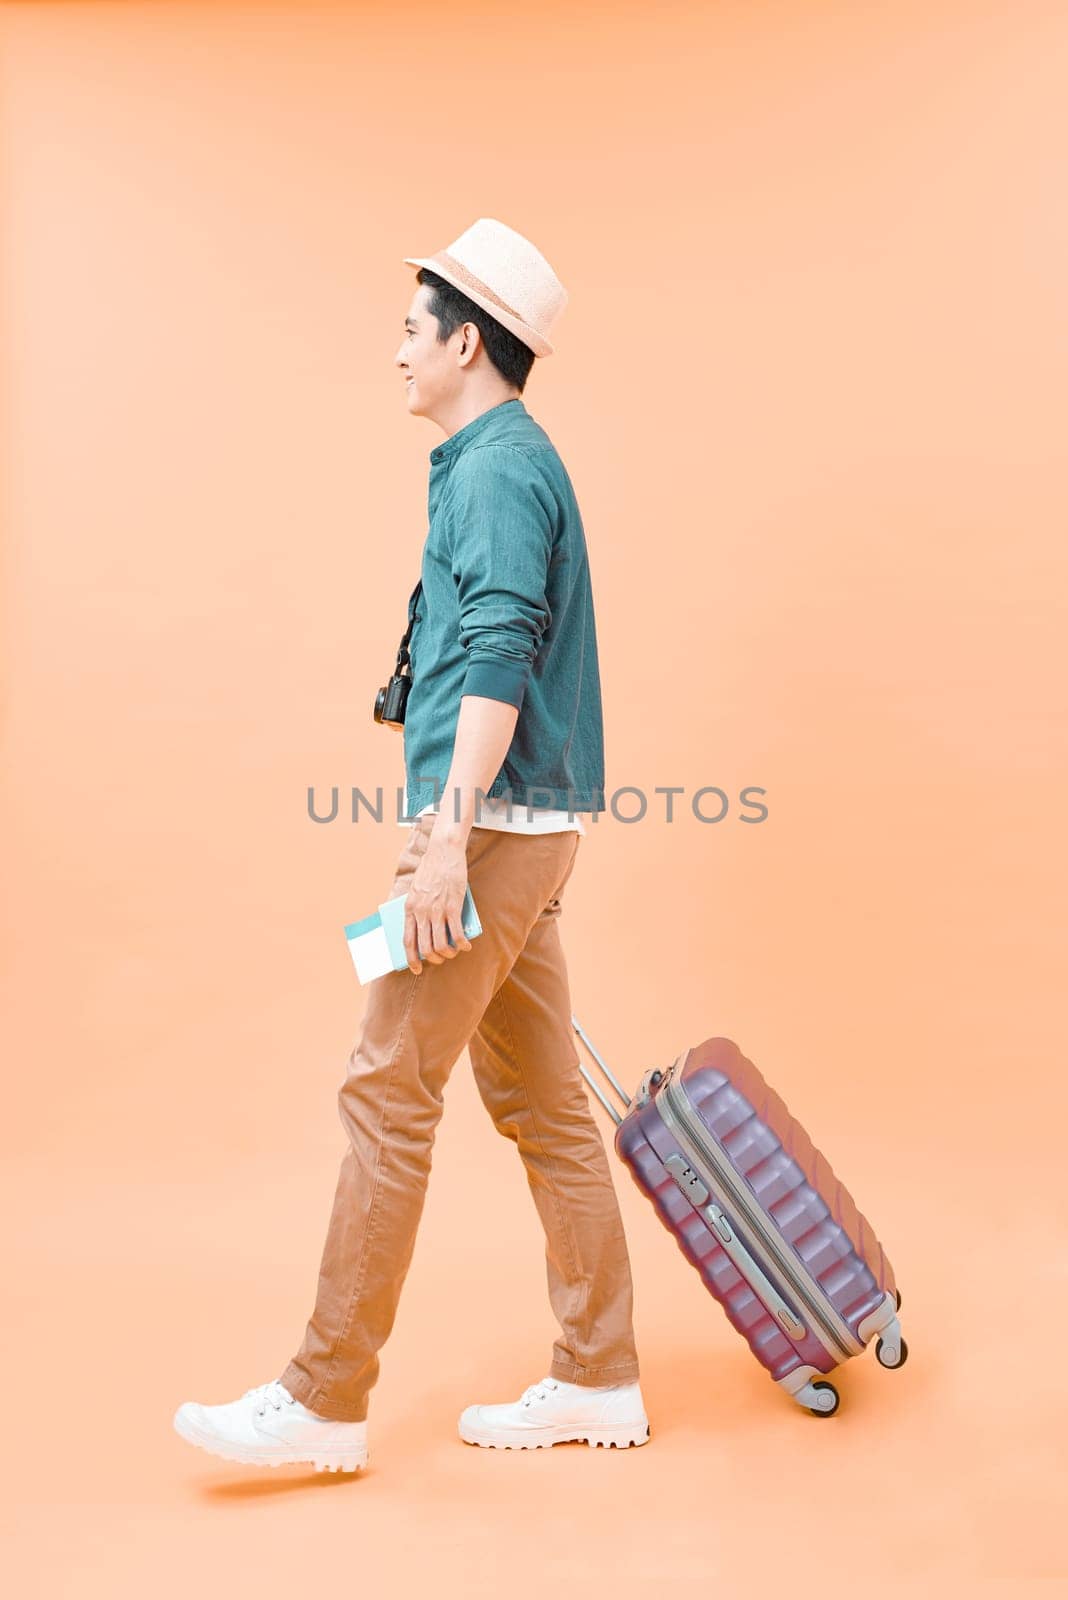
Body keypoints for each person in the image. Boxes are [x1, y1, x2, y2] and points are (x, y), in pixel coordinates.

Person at [174, 218, 648, 1474]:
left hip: (485, 831)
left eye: (409, 330)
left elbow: (498, 648)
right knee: (544, 1106)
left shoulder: (495, 468)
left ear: (466, 341)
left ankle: (324, 1395)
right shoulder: (500, 457)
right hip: (524, 826)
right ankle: (599, 1373)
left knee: (385, 1089)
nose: (395, 352)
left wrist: (445, 842)